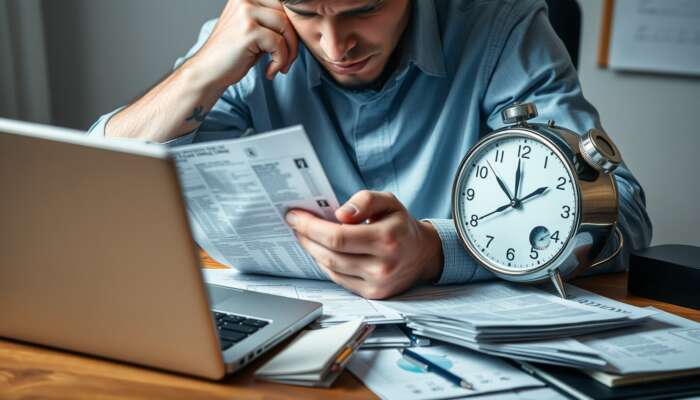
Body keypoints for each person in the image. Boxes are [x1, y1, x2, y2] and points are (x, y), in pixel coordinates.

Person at [89, 0, 652, 299]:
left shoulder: (504, 27)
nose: (336, 46)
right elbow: (93, 183)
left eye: (363, 8)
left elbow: (620, 209)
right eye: (306, 12)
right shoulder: (242, 42)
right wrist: (199, 73)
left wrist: (438, 252)